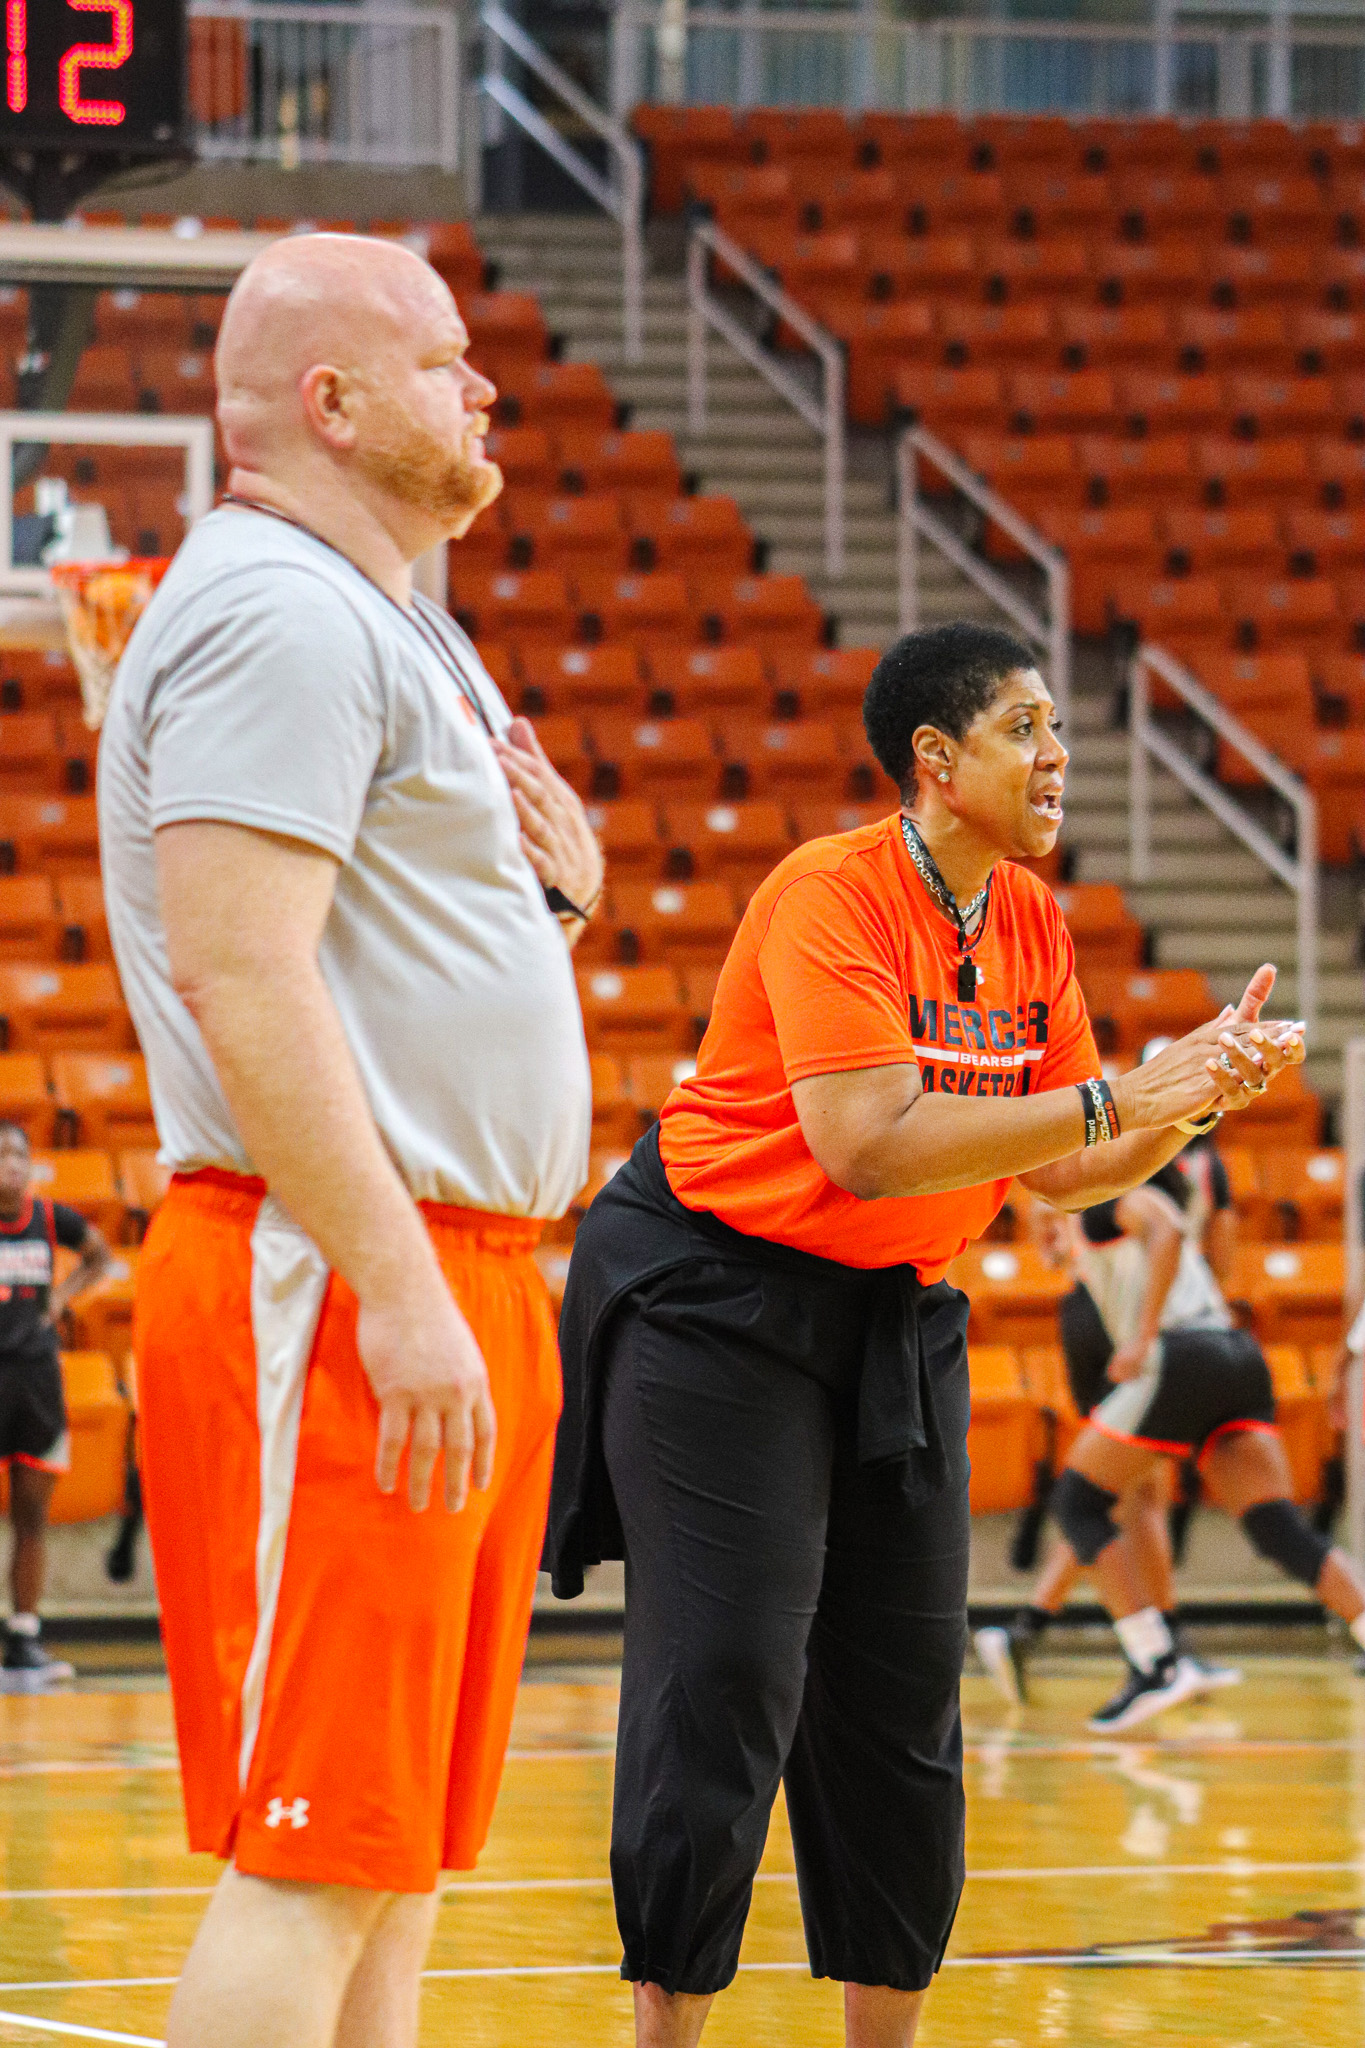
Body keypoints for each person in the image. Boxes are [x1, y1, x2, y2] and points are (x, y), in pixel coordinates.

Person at [546, 621, 1304, 2048]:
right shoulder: (826, 891)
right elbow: (868, 1146)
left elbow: (1073, 1172)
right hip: (714, 1297)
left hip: (893, 1313)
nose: (1056, 757)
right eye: (1026, 729)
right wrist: (1122, 1099)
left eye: (1058, 731)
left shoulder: (1029, 920)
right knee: (728, 1679)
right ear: (935, 762)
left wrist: (1195, 1100)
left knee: (901, 1702)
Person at [98, 234, 602, 2048]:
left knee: (389, 1858)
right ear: (329, 401)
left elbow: (383, 966)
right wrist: (394, 1287)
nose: (485, 388)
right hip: (334, 1275)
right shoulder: (277, 609)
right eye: (447, 358)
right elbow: (244, 973)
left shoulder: (388, 613)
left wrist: (557, 901)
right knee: (312, 1855)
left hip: (445, 1272)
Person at [1045, 1171, 1365, 1731]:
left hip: (1181, 1353)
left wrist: (1143, 1337)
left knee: (1078, 1503)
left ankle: (1156, 1664)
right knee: (1276, 1527)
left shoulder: (1113, 1195)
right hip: (1235, 1354)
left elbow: (1167, 1230)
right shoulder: (1096, 1234)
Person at [974, 1147, 1240, 1706]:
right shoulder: (1104, 1155)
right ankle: (1054, 1632)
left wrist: (1052, 1236)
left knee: (1133, 1492)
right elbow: (1043, 1214)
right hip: (1106, 1317)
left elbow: (1042, 1220)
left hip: (1103, 1311)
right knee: (1111, 1491)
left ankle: (1122, 1641)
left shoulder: (1105, 1161)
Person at [0, 1121, 111, 1685]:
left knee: (32, 1517)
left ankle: (24, 1639)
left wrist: (62, 1298)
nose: (11, 1165)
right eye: (1, 1156)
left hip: (37, 1380)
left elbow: (101, 1255)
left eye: (19, 1154)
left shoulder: (49, 1218)